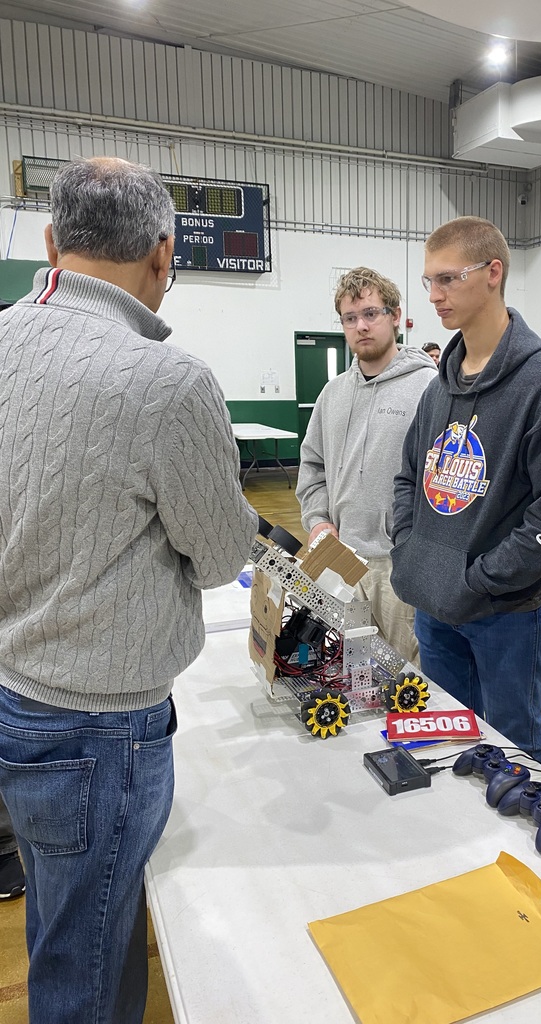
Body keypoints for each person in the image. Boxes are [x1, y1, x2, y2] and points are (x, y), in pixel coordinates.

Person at [0, 157, 259, 1022]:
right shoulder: (166, 381)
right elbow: (223, 552)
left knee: (62, 913)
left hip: (13, 692)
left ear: (50, 242)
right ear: (162, 253)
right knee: (92, 957)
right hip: (100, 725)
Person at [391, 216, 541, 764]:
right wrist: (410, 547)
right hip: (434, 603)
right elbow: (408, 476)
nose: (434, 296)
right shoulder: (439, 385)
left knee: (513, 752)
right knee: (448, 741)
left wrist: (481, 578)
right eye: (428, 282)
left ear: (493, 273)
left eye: (448, 279)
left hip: (506, 613)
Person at [296, 268, 436, 663]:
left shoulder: (428, 387)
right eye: (350, 318)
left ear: (395, 316)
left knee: (406, 681)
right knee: (352, 674)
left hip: (399, 567)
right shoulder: (333, 393)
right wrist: (319, 520)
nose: (361, 326)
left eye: (372, 313)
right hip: (342, 562)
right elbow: (313, 467)